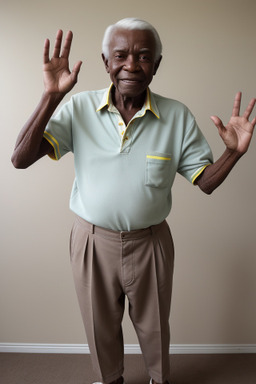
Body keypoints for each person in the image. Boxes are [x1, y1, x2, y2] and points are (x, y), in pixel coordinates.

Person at [11, 18, 255, 384]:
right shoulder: (78, 108)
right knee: (99, 326)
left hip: (151, 241)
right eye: (121, 55)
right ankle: (109, 380)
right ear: (106, 61)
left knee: (155, 328)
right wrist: (51, 96)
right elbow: (20, 157)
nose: (131, 65)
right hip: (91, 240)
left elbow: (205, 182)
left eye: (143, 56)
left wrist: (233, 154)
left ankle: (160, 379)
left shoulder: (177, 116)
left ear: (156, 64)